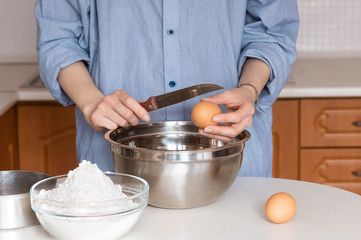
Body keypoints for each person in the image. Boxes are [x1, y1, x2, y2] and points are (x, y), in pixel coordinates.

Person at [35, 0, 299, 177]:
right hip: (116, 169)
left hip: (230, 163)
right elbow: (58, 37)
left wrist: (250, 89)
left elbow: (272, 32)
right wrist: (91, 101)